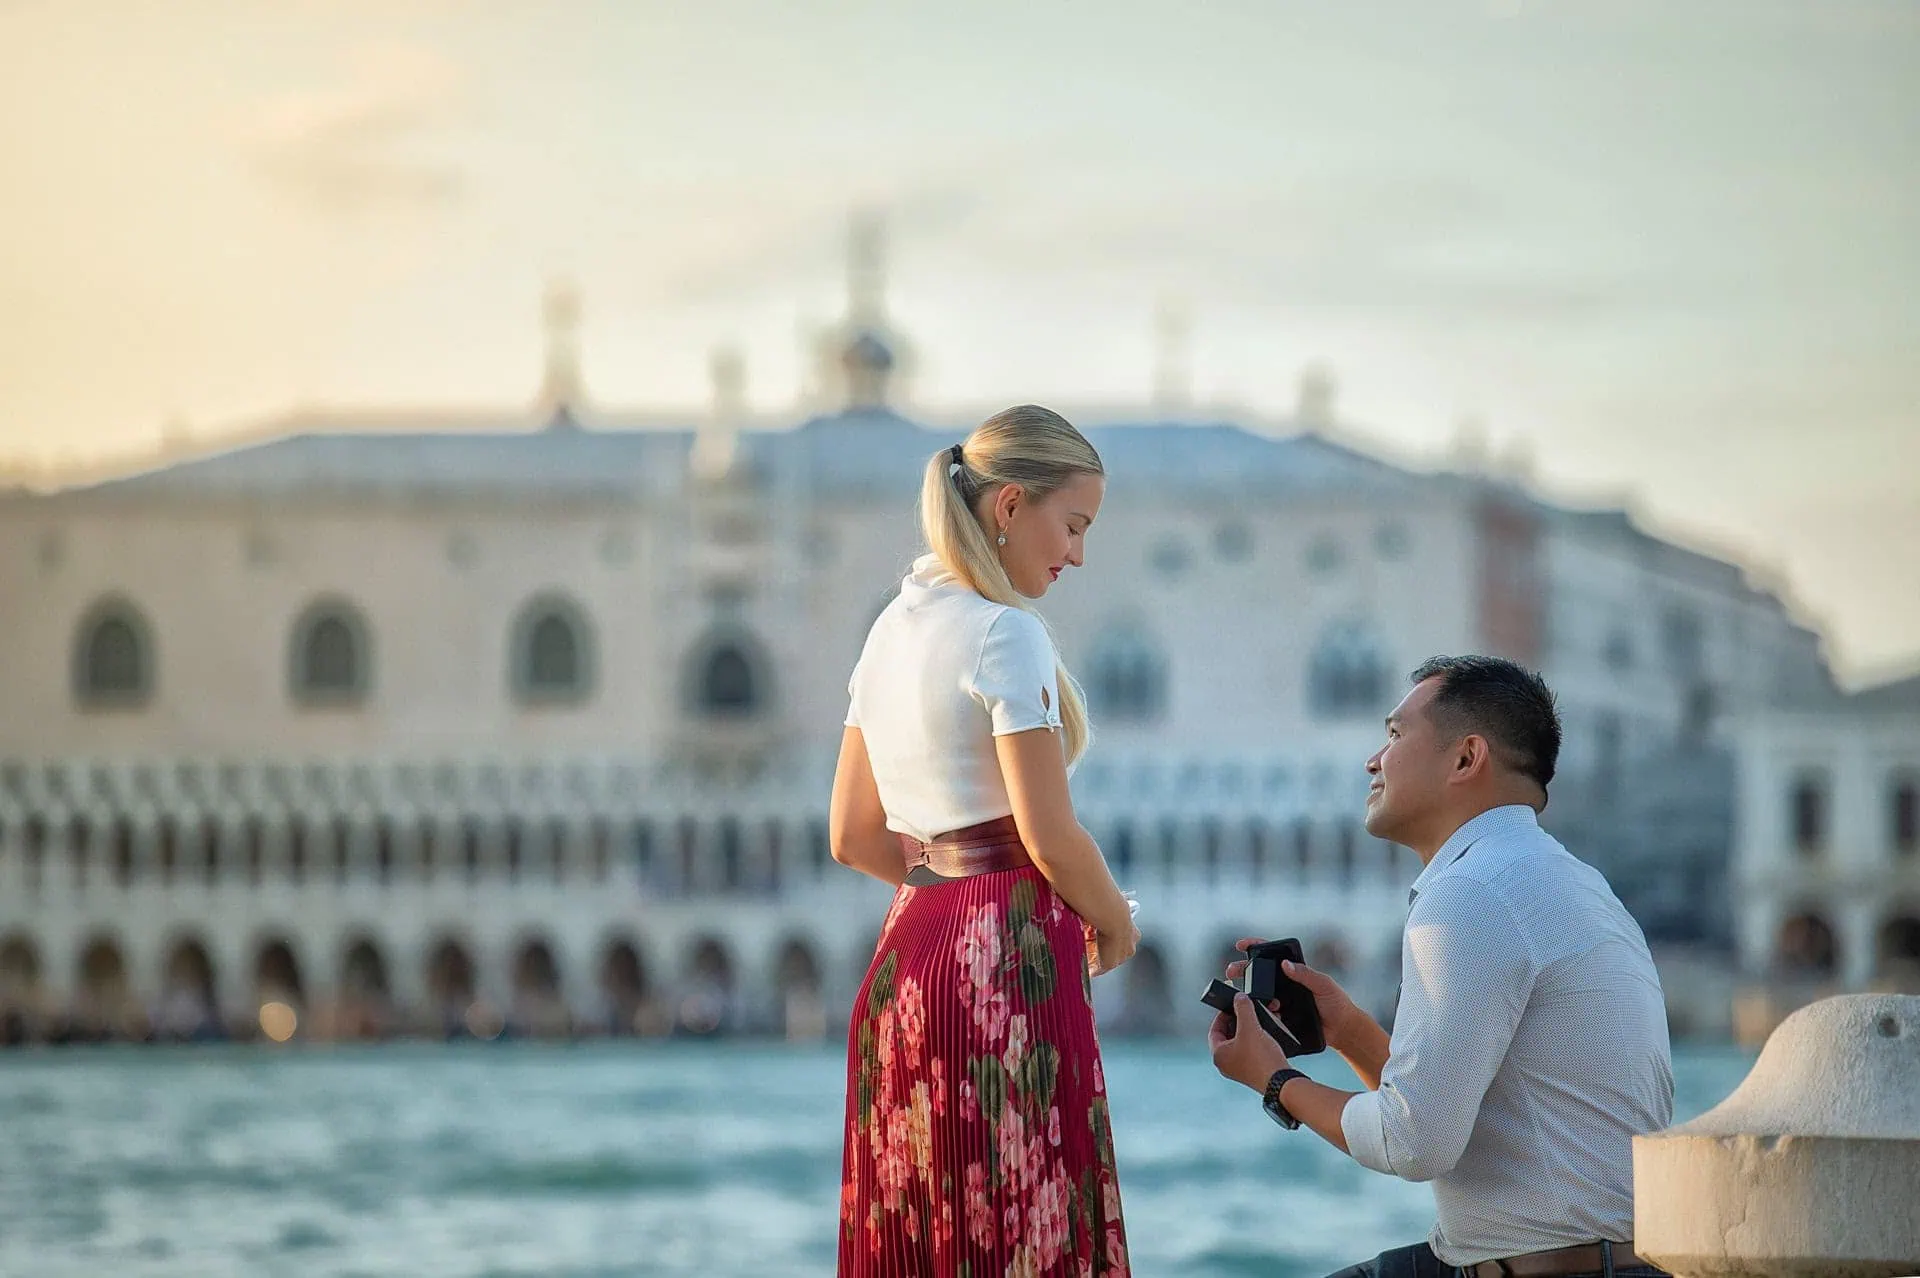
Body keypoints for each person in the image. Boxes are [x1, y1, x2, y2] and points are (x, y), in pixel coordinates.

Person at [1208, 655, 1675, 1278]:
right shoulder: (1573, 882)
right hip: (1602, 1258)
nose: (1374, 760)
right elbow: (1454, 1118)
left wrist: (1274, 1082)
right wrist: (1347, 1030)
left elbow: (1414, 1143)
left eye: (1397, 735)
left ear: (1465, 759)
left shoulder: (1472, 893)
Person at [831, 405, 1140, 1278]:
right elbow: (1049, 835)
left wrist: (946, 884)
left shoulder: (891, 629)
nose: (1076, 554)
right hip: (1004, 960)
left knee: (922, 1232)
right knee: (1030, 1229)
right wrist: (1114, 921)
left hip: (904, 957)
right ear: (1009, 507)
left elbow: (852, 835)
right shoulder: (1006, 633)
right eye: (1072, 525)